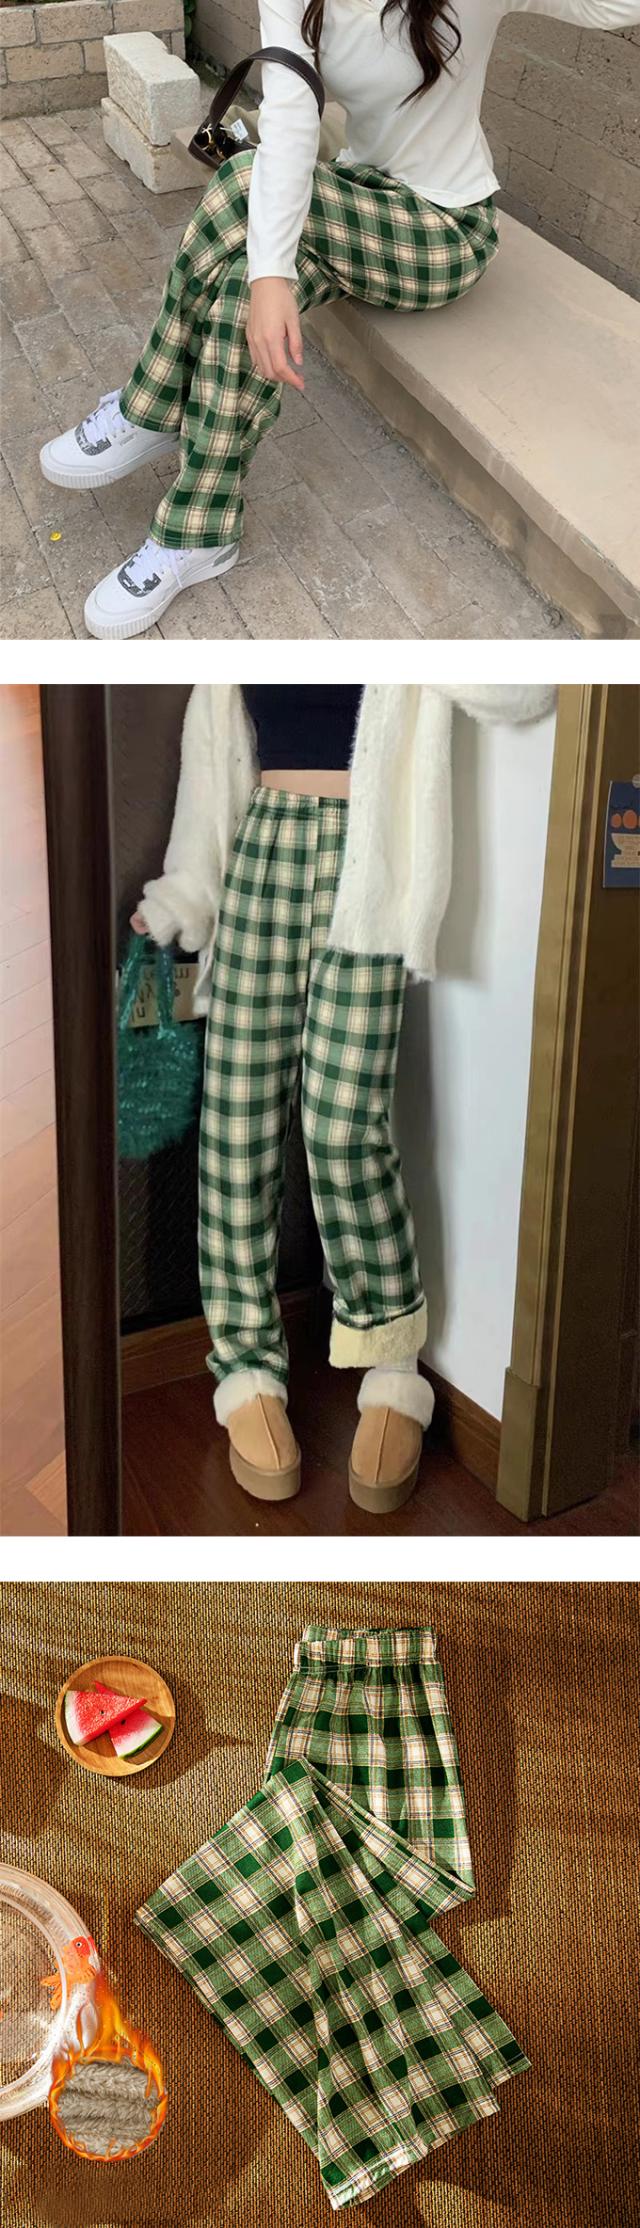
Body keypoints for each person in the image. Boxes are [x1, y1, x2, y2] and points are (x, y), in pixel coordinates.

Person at [38, 0, 639, 639]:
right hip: (357, 200)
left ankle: (154, 405)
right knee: (244, 285)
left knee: (244, 187)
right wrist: (268, 276)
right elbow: (291, 122)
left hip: (443, 228)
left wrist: (275, 273)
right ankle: (199, 532)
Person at [130, 681, 554, 1513]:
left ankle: (393, 1361)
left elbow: (520, 689)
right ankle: (246, 1364)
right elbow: (211, 766)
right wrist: (185, 893)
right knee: (237, 1127)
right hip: (261, 854)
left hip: (373, 869)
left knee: (344, 1128)